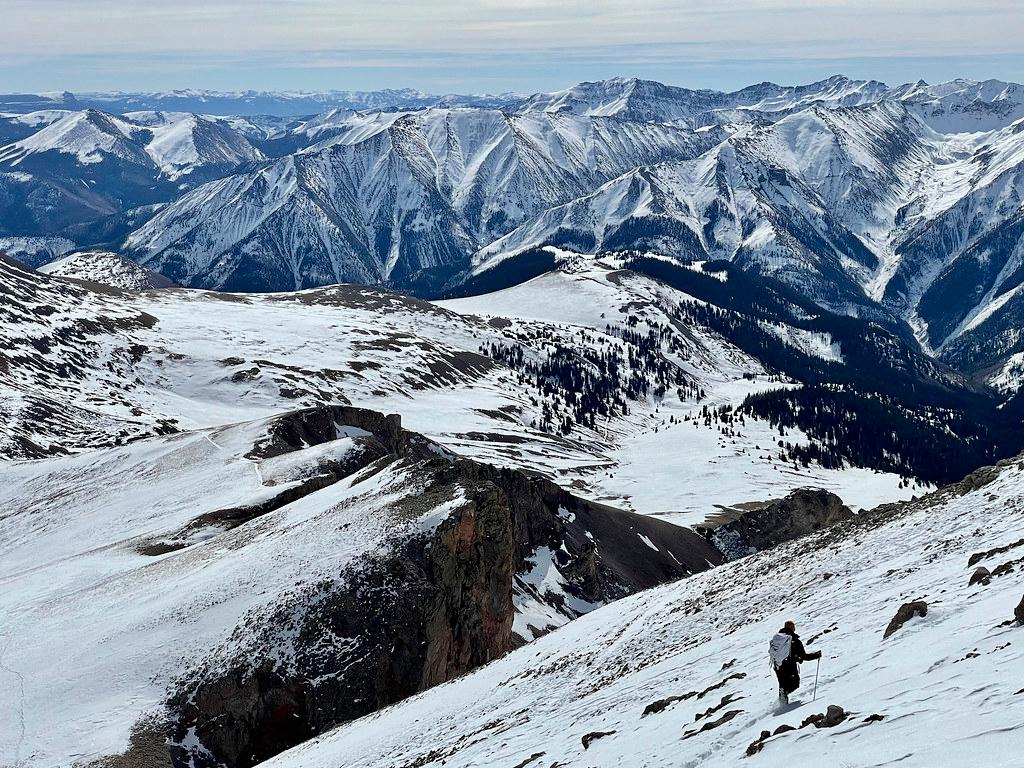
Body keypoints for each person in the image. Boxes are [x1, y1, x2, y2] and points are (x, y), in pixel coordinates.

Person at [768, 620, 821, 704]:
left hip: (778, 665)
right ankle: (783, 700)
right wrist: (816, 655)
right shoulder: (794, 640)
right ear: (793, 628)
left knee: (783, 684)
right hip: (789, 666)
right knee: (794, 683)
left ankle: (782, 704)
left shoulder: (778, 639)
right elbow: (804, 656)